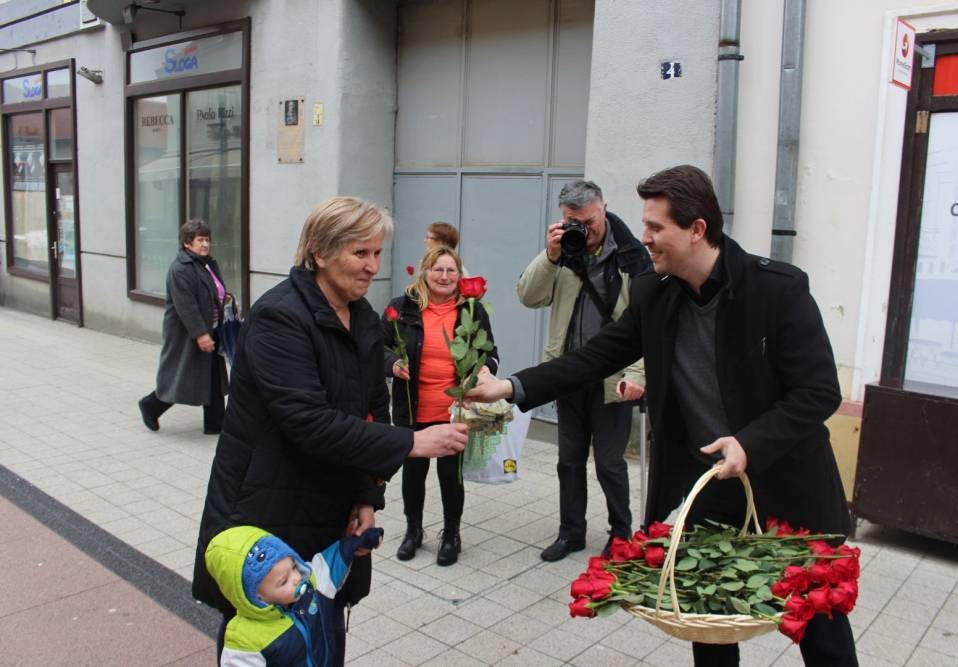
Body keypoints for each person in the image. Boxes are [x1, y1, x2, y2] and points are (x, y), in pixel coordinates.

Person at [468, 165, 857, 666]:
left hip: (792, 489)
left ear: (697, 229)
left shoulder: (777, 290)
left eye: (656, 228)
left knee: (821, 631)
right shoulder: (655, 291)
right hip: (713, 492)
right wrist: (512, 386)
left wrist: (749, 443)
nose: (644, 238)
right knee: (707, 626)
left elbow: (819, 391)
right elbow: (597, 356)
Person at [191, 197, 468, 665]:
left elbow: (371, 411)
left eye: (377, 254)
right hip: (268, 507)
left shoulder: (361, 316)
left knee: (322, 626)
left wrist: (365, 496)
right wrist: (413, 441)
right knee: (267, 633)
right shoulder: (280, 316)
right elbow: (308, 421)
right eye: (360, 253)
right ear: (319, 252)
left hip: (329, 504)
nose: (372, 267)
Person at [516, 180, 651, 562]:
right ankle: (571, 533)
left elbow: (645, 324)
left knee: (610, 464)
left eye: (588, 221)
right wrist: (550, 254)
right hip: (569, 376)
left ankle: (621, 535)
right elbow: (529, 296)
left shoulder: (631, 256)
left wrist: (638, 376)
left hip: (614, 380)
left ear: (604, 209)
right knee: (569, 461)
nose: (583, 229)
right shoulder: (563, 254)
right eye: (573, 221)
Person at [382, 245, 499, 566]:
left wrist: (484, 371)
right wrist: (392, 363)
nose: (445, 276)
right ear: (425, 272)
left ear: (460, 276)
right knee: (413, 475)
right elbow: (376, 348)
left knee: (451, 477)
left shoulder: (471, 310)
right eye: (438, 269)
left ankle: (451, 534)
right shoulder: (402, 308)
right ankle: (413, 530)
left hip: (454, 413)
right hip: (412, 409)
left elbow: (490, 353)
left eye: (451, 270)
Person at [206, 525, 383, 666]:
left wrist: (359, 541)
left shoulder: (312, 585)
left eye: (293, 567)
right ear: (256, 597)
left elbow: (333, 559)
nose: (297, 578)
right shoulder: (245, 640)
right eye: (283, 581)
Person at [138, 219, 228, 435]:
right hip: (187, 334)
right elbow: (186, 306)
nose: (205, 244)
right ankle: (151, 405)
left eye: (207, 240)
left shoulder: (204, 264)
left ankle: (216, 423)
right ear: (188, 243)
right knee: (181, 376)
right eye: (200, 240)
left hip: (211, 328)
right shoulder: (181, 268)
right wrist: (201, 335)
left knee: (213, 376)